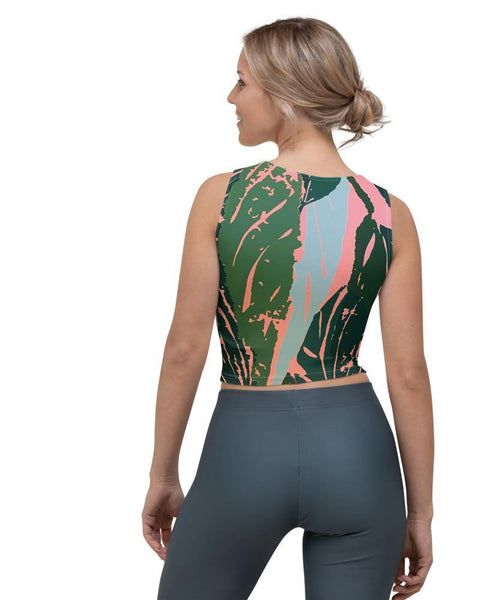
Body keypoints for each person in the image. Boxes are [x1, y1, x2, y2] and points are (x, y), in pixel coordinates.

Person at [142, 17, 434, 600]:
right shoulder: (388, 212)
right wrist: (420, 511)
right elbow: (408, 372)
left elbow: (184, 349)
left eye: (242, 82)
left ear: (284, 94)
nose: (232, 98)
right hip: (358, 454)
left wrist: (163, 473)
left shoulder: (223, 197)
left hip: (245, 450)